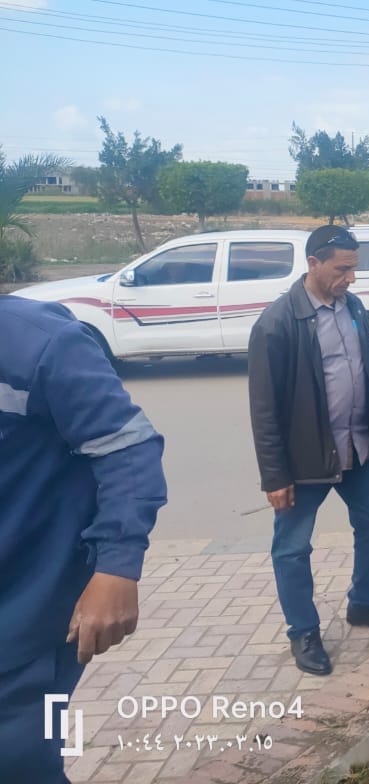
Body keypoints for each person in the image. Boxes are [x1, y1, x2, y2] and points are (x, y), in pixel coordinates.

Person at [1, 296, 167, 781]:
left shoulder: (38, 344)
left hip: (31, 618)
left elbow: (128, 447)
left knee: (23, 759)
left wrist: (116, 567)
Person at [248, 225, 369, 677]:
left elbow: (365, 377)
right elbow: (264, 409)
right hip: (306, 460)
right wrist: (274, 476)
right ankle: (303, 631)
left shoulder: (353, 307)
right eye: (342, 269)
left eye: (354, 269)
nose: (351, 279)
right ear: (313, 263)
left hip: (361, 449)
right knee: (293, 548)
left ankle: (364, 604)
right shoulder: (277, 323)